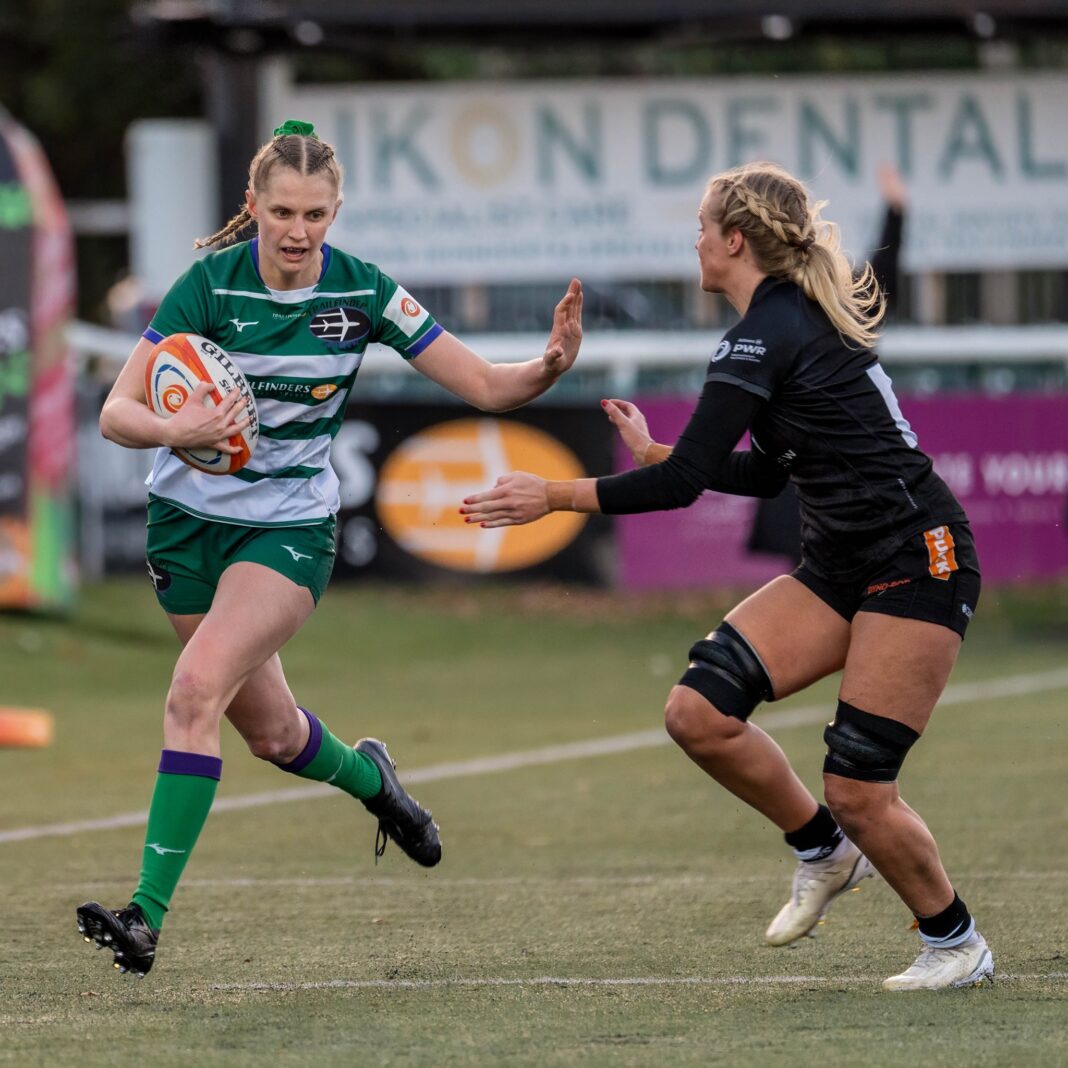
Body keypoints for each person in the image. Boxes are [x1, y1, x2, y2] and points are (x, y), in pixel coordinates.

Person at [460, 161, 993, 992]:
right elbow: (769, 471)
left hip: (916, 557)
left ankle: (956, 942)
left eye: (703, 229)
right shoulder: (779, 321)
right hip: (842, 562)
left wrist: (554, 494)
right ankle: (822, 849)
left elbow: (683, 489)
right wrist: (660, 454)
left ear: (734, 240)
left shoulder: (765, 331)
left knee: (858, 784)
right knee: (699, 713)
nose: (695, 242)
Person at [76, 119, 583, 977]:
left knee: (193, 691)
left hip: (288, 530)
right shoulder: (207, 286)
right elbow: (116, 412)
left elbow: (490, 386)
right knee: (272, 734)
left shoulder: (364, 295)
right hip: (185, 526)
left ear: (336, 210)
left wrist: (550, 366)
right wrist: (176, 424)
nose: (298, 230)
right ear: (253, 205)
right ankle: (374, 782)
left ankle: (144, 919)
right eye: (282, 211)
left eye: (315, 213)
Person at [746, 162, 909, 566]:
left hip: (839, 466)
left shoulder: (844, 306)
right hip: (805, 465)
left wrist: (896, 213)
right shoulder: (785, 305)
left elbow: (882, 275)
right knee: (809, 568)